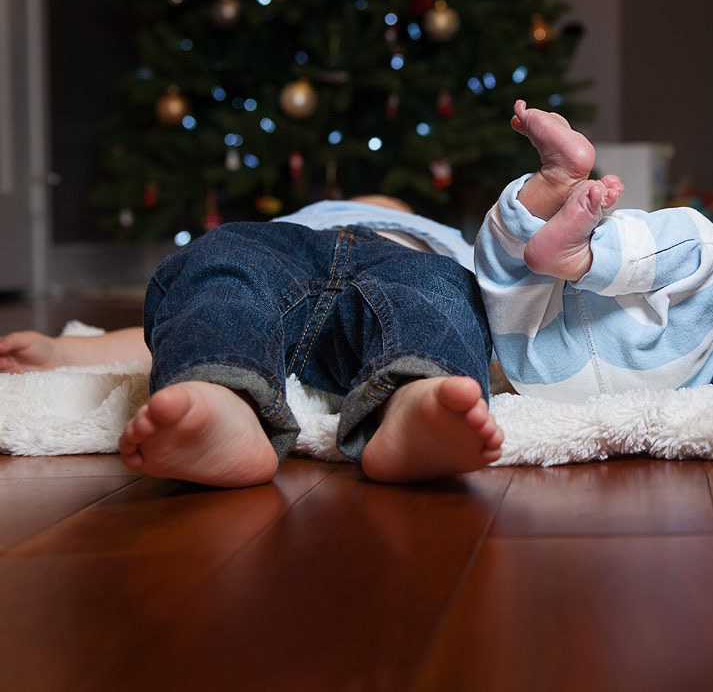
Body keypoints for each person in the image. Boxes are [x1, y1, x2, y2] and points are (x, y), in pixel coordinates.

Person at [1, 196, 503, 488]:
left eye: (385, 205)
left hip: (399, 264)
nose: (368, 208)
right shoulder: (303, 222)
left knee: (442, 294)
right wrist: (66, 352)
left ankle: (417, 401)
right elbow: (160, 332)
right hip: (286, 255)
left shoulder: (444, 246)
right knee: (222, 269)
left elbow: (501, 324)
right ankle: (222, 397)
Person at [475, 100, 713, 400]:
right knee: (708, 260)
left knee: (703, 246)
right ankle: (582, 251)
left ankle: (564, 203)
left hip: (539, 367)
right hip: (644, 377)